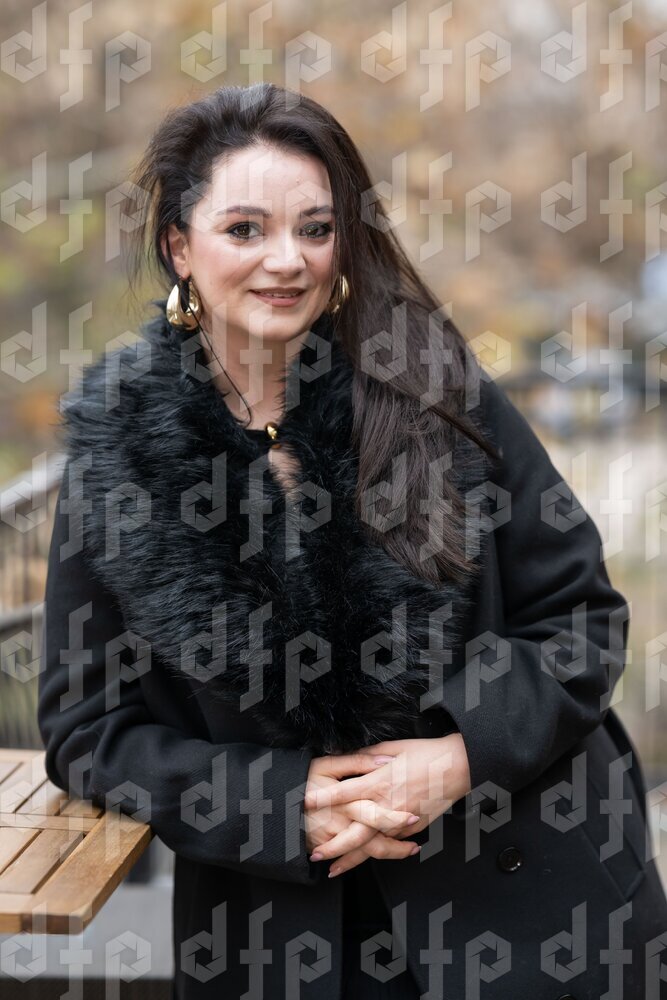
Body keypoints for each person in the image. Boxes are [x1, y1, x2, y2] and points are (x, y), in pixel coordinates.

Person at [38, 82, 667, 999]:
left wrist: (457, 755)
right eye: (244, 230)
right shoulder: (119, 452)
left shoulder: (434, 391)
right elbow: (87, 729)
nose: (286, 260)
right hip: (283, 931)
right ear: (179, 246)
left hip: (530, 904)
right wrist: (276, 803)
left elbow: (580, 621)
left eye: (316, 228)